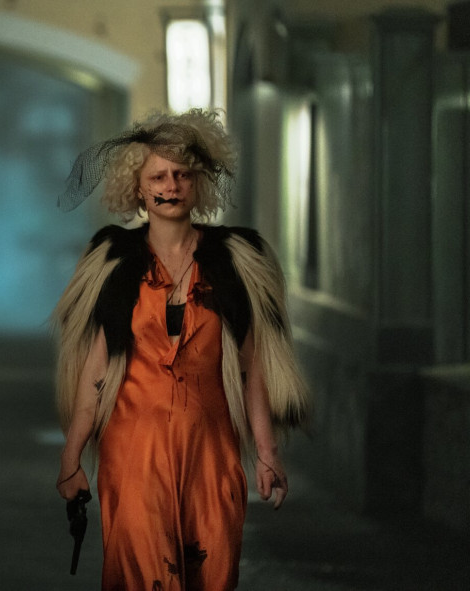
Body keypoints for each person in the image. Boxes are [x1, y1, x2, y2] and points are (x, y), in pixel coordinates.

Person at [53, 109, 309, 590]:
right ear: (137, 187)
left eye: (182, 175)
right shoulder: (115, 262)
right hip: (133, 452)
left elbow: (252, 368)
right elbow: (96, 371)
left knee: (213, 574)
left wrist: (267, 453)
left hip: (211, 452)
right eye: (158, 176)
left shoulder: (234, 262)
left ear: (198, 182)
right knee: (142, 576)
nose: (170, 186)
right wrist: (71, 457)